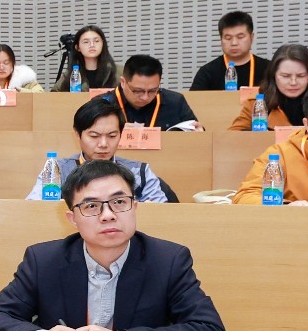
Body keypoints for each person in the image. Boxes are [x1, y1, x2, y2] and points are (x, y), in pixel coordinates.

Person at [0, 160, 229, 331]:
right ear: (72, 219)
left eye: (119, 202)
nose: (108, 215)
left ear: (135, 207)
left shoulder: (168, 261)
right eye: (91, 206)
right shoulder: (43, 260)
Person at [25, 95, 168, 203]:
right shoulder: (57, 170)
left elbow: (162, 214)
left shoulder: (140, 172)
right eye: (94, 136)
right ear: (77, 134)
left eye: (112, 136)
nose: (103, 144)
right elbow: (34, 209)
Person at [228, 45, 308, 130]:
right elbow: (234, 136)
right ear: (273, 75)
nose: (293, 82)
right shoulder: (257, 102)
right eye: (285, 76)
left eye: (301, 76)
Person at [188, 11, 271, 91]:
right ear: (221, 39)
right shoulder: (207, 72)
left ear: (251, 38)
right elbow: (193, 100)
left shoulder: (269, 69)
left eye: (240, 37)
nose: (234, 43)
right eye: (228, 38)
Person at [112, 55, 199, 130]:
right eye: (138, 91)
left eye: (152, 90)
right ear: (123, 82)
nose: (145, 97)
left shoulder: (175, 102)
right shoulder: (106, 103)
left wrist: (199, 132)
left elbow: (196, 131)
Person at [51, 25, 116, 91]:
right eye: (86, 42)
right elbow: (53, 94)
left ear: (103, 44)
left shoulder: (117, 72)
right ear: (77, 47)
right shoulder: (72, 73)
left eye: (96, 41)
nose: (92, 45)